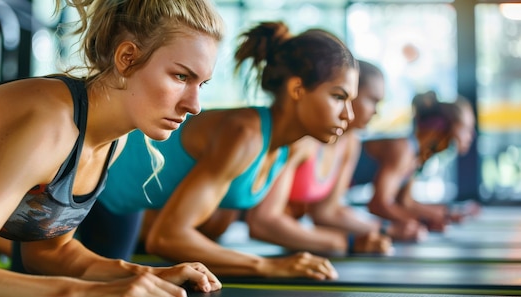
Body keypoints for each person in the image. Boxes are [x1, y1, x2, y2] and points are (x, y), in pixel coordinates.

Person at [0, 0, 225, 297]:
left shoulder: (111, 141)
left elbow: (50, 251)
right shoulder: (52, 123)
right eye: (181, 76)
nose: (194, 105)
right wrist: (92, 296)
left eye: (202, 84)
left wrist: (142, 275)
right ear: (126, 57)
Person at [83, 21, 359, 280]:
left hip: (128, 206)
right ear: (297, 88)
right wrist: (268, 265)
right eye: (338, 97)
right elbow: (168, 236)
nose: (349, 115)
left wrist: (344, 242)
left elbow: (265, 221)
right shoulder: (245, 134)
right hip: (96, 186)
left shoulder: (294, 147)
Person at [242, 60, 393, 255]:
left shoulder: (350, 143)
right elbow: (263, 222)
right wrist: (346, 242)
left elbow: (327, 212)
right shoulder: (303, 141)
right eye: (372, 100)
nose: (376, 111)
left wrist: (383, 230)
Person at [350, 90, 478, 241]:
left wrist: (444, 214)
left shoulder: (417, 158)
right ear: (441, 125)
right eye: (467, 129)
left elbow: (405, 202)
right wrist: (422, 221)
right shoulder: (404, 150)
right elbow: (378, 204)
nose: (472, 136)